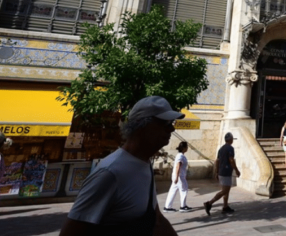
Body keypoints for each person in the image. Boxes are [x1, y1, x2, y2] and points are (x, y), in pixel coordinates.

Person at [60, 96, 182, 236]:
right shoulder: (110, 172)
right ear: (142, 126)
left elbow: (157, 220)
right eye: (165, 123)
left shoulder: (144, 164)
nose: (172, 129)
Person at [204, 132, 240, 216]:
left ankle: (225, 206)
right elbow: (231, 160)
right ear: (230, 140)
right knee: (225, 190)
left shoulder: (221, 149)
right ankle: (209, 203)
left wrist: (216, 172)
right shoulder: (230, 148)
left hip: (221, 172)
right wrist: (236, 170)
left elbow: (217, 161)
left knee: (226, 190)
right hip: (226, 172)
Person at [164, 141, 191, 212]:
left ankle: (167, 207)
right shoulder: (180, 156)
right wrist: (177, 177)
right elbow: (177, 166)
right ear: (184, 148)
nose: (187, 148)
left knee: (172, 191)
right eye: (187, 147)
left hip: (178, 176)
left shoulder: (180, 155)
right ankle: (183, 206)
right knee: (184, 190)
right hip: (179, 177)